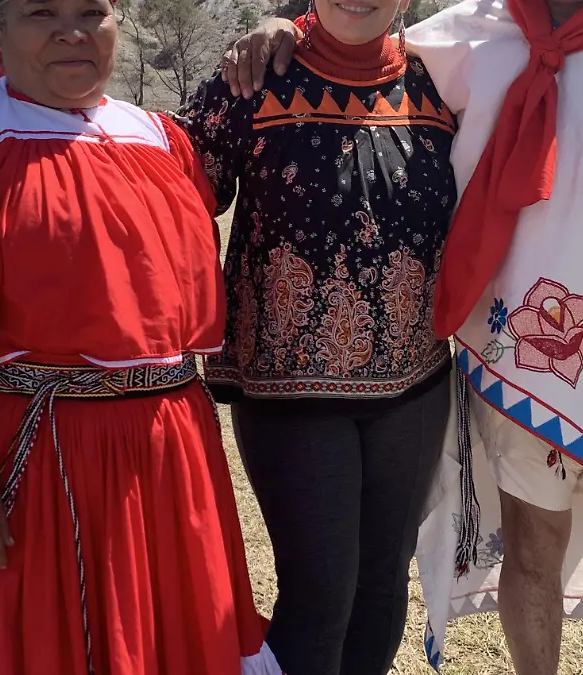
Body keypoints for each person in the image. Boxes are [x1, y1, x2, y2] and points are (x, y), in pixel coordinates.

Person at [221, 0, 583, 673]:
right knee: (530, 546)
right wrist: (286, 32)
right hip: (515, 358)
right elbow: (358, 40)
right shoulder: (473, 36)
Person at [0, 0, 282, 672]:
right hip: (43, 461)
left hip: (169, 453)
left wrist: (288, 26)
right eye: (40, 12)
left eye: (91, 10)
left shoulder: (163, 141)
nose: (70, 30)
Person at [169, 1, 458, 673]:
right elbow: (172, 187)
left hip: (415, 387)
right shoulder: (255, 76)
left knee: (383, 591)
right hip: (288, 390)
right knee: (321, 595)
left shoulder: (443, 80)